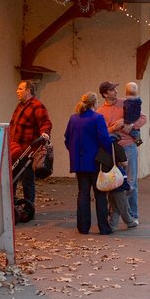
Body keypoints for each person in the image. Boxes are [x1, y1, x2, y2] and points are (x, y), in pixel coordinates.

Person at [98, 80, 147, 226]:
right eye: (112, 90)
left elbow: (143, 118)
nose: (116, 92)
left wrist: (130, 125)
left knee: (131, 182)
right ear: (105, 94)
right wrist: (113, 127)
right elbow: (100, 133)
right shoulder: (100, 112)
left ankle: (132, 214)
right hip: (112, 150)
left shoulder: (126, 103)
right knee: (113, 183)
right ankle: (115, 214)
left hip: (128, 146)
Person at [63, 92, 113, 235]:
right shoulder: (97, 118)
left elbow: (67, 139)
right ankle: (104, 227)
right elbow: (104, 139)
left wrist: (74, 151)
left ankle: (83, 227)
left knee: (83, 193)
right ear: (94, 103)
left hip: (79, 162)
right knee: (100, 194)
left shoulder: (73, 119)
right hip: (96, 161)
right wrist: (111, 151)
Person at [8, 80, 53, 216]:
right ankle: (11, 203)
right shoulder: (20, 106)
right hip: (15, 148)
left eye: (20, 89)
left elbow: (45, 123)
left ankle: (28, 208)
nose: (17, 91)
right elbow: (13, 124)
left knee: (27, 180)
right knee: (12, 177)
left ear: (28, 91)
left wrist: (44, 133)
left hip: (28, 150)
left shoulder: (37, 106)